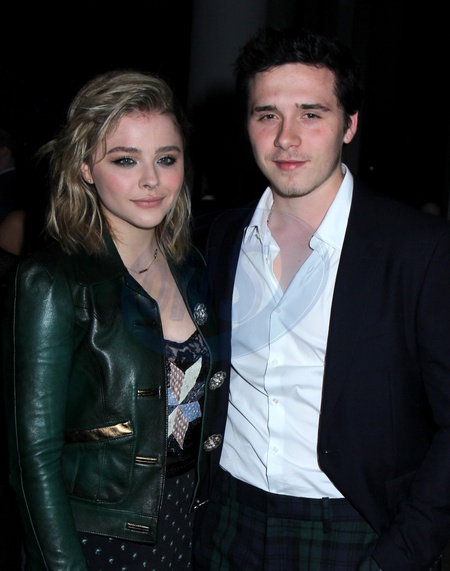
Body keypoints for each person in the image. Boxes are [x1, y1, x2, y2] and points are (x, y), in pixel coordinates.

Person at [192, 26, 450, 571]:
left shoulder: (418, 249)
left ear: (350, 124)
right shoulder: (219, 238)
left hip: (355, 528)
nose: (286, 138)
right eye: (267, 115)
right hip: (226, 520)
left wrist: (401, 555)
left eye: (311, 114)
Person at [2, 69, 222, 570]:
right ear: (85, 168)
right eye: (125, 160)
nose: (151, 180)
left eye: (166, 159)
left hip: (188, 524)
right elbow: (32, 458)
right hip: (98, 538)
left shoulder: (192, 267)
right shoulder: (52, 280)